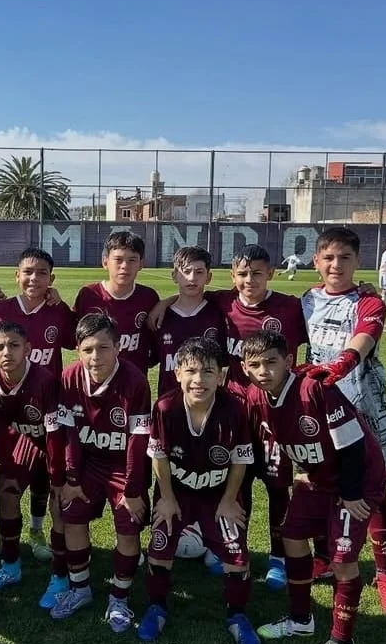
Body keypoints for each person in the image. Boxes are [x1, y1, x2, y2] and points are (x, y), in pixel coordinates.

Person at [150, 243, 308, 590]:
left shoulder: (292, 308)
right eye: (242, 274)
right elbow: (184, 294)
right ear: (233, 277)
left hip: (273, 411)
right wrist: (162, 302)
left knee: (279, 482)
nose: (249, 280)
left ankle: (279, 559)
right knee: (238, 480)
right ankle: (230, 546)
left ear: (271, 273)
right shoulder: (223, 302)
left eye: (256, 273)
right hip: (230, 412)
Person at [241, 330, 386, 644]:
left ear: (288, 361)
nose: (264, 371)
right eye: (255, 365)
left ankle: (342, 643)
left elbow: (352, 447)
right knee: (291, 537)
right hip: (320, 479)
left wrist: (352, 495)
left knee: (342, 561)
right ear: (245, 368)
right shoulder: (256, 397)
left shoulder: (315, 390)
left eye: (271, 362)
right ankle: (300, 618)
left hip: (356, 480)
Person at [300, 227, 386, 616]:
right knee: (323, 481)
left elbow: (366, 335)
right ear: (317, 262)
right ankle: (326, 557)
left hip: (365, 402)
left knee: (375, 487)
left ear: (357, 262)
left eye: (344, 258)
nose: (336, 265)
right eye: (328, 257)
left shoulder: (368, 301)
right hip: (324, 404)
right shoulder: (306, 301)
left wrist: (345, 360)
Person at [136, 338, 259, 644]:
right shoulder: (165, 407)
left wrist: (230, 500)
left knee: (236, 556)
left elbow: (240, 460)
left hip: (218, 495)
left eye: (208, 372)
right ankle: (157, 606)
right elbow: (159, 456)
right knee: (160, 549)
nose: (198, 380)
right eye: (190, 371)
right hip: (177, 493)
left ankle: (237, 615)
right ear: (177, 373)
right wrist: (165, 498)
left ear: (221, 376)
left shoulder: (234, 410)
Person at [53, 313, 152, 633]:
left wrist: (134, 490)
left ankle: (119, 598)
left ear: (119, 347)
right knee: (72, 518)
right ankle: (80, 589)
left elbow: (139, 441)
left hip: (124, 467)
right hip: (87, 464)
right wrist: (71, 480)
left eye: (104, 348)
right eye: (88, 349)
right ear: (78, 350)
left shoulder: (135, 381)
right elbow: (67, 433)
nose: (96, 357)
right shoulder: (69, 378)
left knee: (128, 527)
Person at [0, 248, 77, 566]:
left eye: (41, 273)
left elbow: (77, 337)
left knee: (43, 478)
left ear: (52, 278)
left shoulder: (58, 310)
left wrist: (61, 302)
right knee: (4, 476)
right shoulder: (3, 306)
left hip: (45, 403)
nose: (34, 278)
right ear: (16, 275)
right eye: (27, 271)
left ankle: (36, 532)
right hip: (8, 404)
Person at [0, 322, 66, 599]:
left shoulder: (45, 380)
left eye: (14, 345)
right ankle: (11, 566)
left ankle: (61, 575)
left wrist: (58, 473)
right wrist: (6, 466)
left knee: (59, 502)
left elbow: (55, 432)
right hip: (18, 445)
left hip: (50, 444)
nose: (7, 352)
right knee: (7, 493)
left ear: (28, 348)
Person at [73, 230, 160, 376]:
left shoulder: (149, 297)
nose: (125, 266)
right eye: (118, 259)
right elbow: (75, 337)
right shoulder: (88, 294)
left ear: (141, 264)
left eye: (132, 260)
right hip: (95, 380)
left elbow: (156, 343)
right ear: (105, 262)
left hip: (133, 383)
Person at [152, 246, 228, 399]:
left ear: (209, 277)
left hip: (209, 403)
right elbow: (151, 359)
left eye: (199, 272)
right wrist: (164, 303)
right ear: (174, 276)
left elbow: (224, 363)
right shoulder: (160, 316)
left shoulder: (218, 313)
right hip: (169, 403)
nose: (192, 278)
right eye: (186, 272)